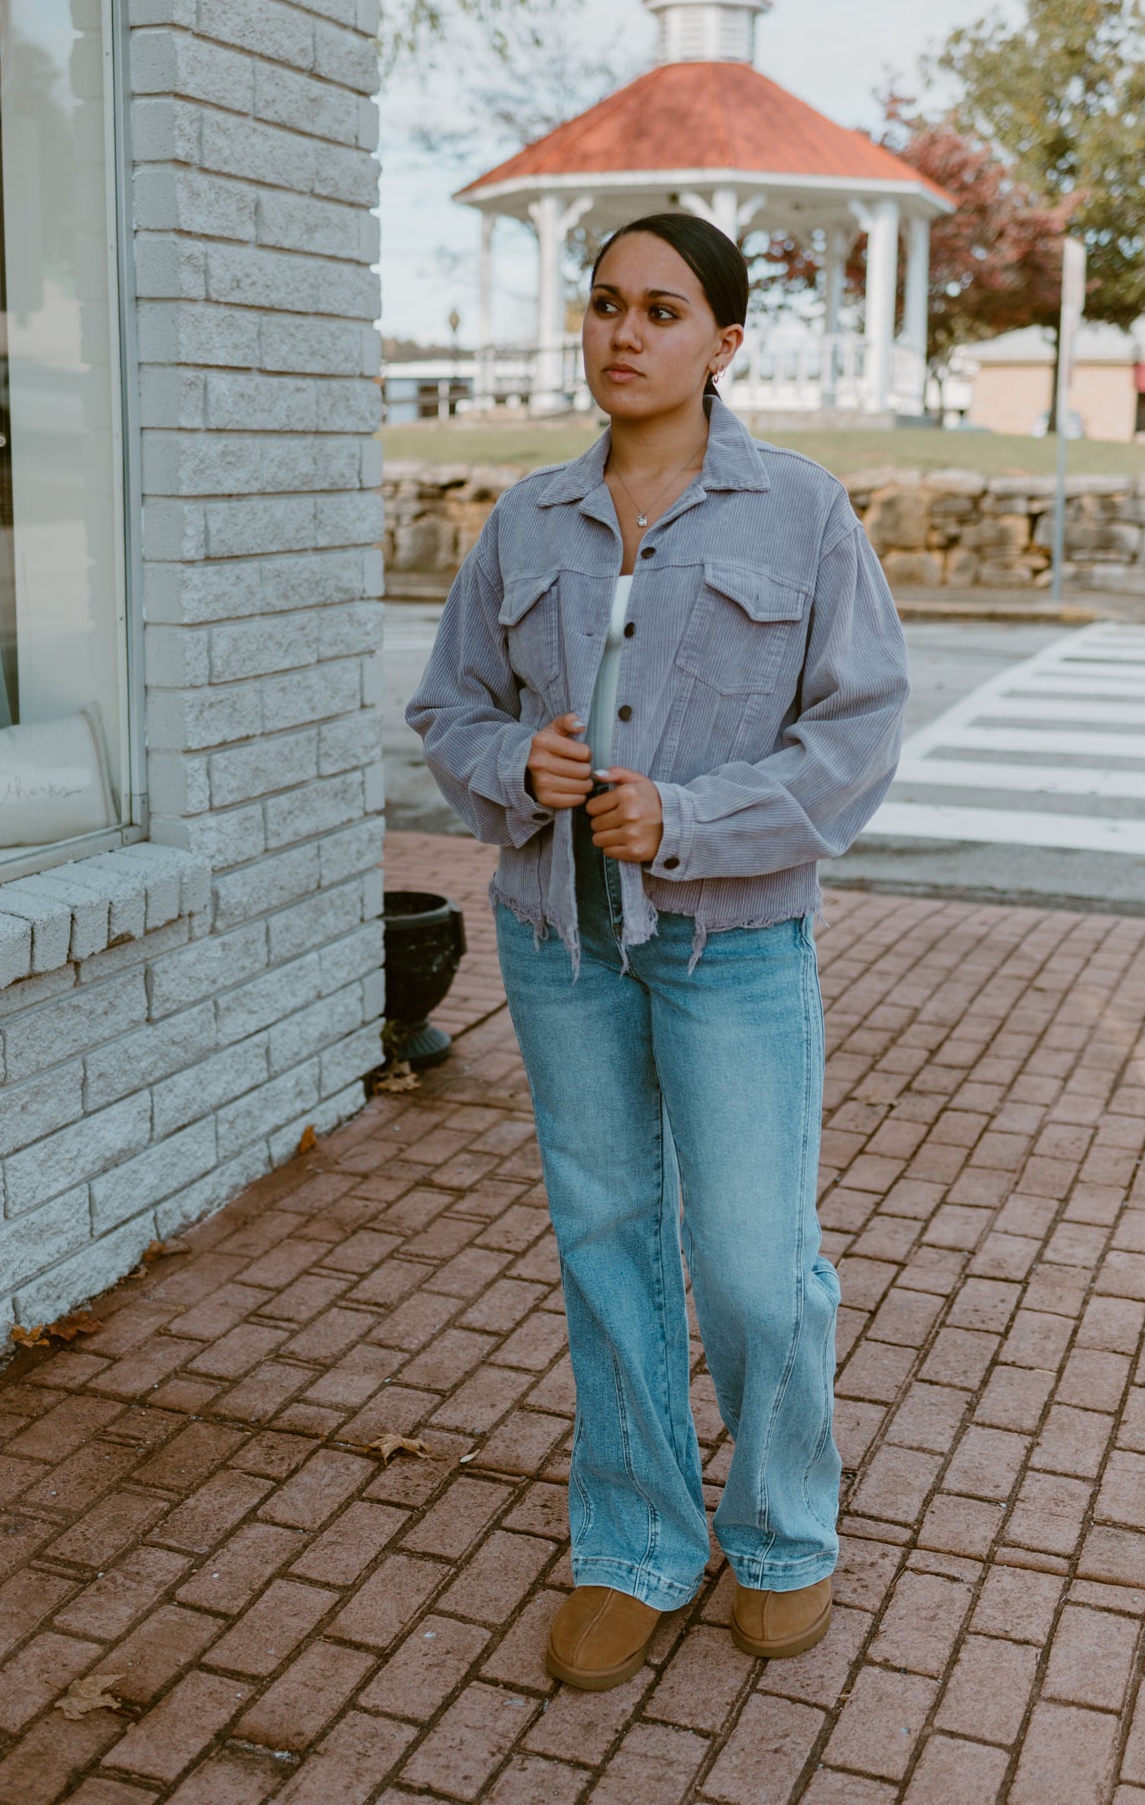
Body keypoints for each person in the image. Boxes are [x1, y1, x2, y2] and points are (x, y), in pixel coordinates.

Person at [407, 211, 909, 1691]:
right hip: (558, 942)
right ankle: (635, 1540)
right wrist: (521, 770)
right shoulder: (525, 521)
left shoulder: (802, 513)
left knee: (755, 1268)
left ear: (725, 342)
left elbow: (857, 738)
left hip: (729, 952)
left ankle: (782, 1529)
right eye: (607, 304)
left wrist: (683, 816)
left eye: (665, 310)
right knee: (607, 1245)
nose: (626, 333)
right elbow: (451, 713)